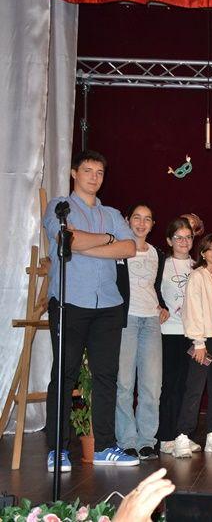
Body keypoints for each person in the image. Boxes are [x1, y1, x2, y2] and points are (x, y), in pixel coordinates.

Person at [43, 150, 140, 471]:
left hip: (108, 304)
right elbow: (67, 240)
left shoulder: (112, 213)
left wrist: (89, 244)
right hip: (69, 301)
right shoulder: (59, 207)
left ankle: (105, 446)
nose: (94, 177)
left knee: (106, 377)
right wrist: (108, 241)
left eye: (99, 172)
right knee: (64, 375)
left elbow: (129, 248)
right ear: (74, 173)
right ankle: (57, 450)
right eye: (87, 170)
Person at [115, 204, 169, 460]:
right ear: (127, 220)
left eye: (147, 219)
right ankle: (126, 440)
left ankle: (147, 440)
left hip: (151, 321)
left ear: (152, 225)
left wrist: (163, 306)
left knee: (151, 384)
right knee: (124, 383)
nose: (141, 223)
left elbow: (154, 287)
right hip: (126, 320)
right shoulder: (118, 250)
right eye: (136, 217)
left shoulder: (158, 254)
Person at [172, 233, 212, 457]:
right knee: (194, 389)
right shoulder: (197, 276)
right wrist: (198, 342)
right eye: (210, 249)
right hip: (203, 341)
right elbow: (192, 310)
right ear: (203, 253)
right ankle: (182, 436)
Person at [156, 217, 201, 456]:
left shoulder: (198, 266)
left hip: (193, 335)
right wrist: (159, 307)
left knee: (188, 387)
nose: (184, 241)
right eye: (178, 237)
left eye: (188, 237)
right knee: (169, 386)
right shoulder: (161, 265)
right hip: (169, 333)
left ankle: (182, 435)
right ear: (169, 240)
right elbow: (151, 291)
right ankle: (165, 436)